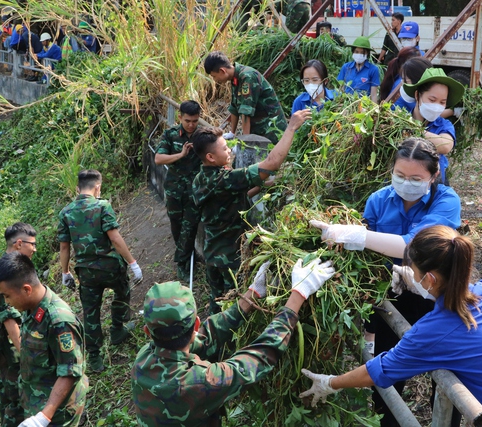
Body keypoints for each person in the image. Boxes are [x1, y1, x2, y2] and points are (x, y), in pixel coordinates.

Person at [299, 225, 482, 426]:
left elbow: (379, 370)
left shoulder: (433, 332)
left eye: (414, 272)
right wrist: (414, 282)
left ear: (431, 279)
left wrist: (330, 383)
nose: (411, 275)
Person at [310, 137, 461, 427]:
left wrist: (353, 235)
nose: (407, 183)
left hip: (435, 295)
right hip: (393, 294)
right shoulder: (378, 201)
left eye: (416, 178)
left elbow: (412, 245)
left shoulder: (447, 201)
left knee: (445, 375)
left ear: (434, 174)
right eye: (400, 176)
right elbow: (367, 259)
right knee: (388, 366)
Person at [132, 258, 335, 426]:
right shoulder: (198, 382)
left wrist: (251, 295)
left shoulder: (144, 357)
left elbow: (205, 337)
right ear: (195, 323)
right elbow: (258, 358)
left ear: (147, 332)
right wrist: (298, 294)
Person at [192, 109, 312, 314]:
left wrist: (269, 184)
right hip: (230, 257)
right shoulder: (223, 179)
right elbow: (271, 164)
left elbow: (234, 197)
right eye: (224, 148)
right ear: (211, 157)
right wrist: (291, 127)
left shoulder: (201, 179)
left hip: (214, 253)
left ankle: (210, 336)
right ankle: (224, 340)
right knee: (234, 306)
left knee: (218, 300)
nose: (229, 150)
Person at [0, 252, 89, 427]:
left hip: (56, 412)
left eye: (7, 296)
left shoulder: (59, 320)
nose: (7, 302)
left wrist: (43, 417)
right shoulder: (31, 308)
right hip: (36, 401)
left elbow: (70, 371)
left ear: (27, 289)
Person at [58, 169, 143, 372]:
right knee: (122, 292)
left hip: (86, 272)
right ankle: (117, 330)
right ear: (98, 187)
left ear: (78, 188)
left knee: (90, 312)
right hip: (110, 267)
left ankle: (95, 358)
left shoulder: (66, 213)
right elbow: (115, 238)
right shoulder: (102, 206)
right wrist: (133, 263)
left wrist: (65, 272)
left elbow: (64, 246)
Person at [0, 222, 37, 427]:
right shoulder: (7, 273)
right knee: (17, 400)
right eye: (32, 244)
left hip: (3, 349)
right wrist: (27, 357)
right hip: (11, 349)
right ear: (19, 244)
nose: (34, 249)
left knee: (7, 396)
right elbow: (9, 318)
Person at [155, 100, 203, 281]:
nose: (191, 125)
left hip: (195, 191)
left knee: (189, 226)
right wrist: (181, 155)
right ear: (180, 117)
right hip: (174, 190)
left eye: (195, 121)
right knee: (176, 225)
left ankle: (182, 263)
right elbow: (159, 159)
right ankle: (187, 255)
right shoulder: (170, 134)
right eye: (188, 121)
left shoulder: (202, 136)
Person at [204, 51, 287, 144]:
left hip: (272, 128)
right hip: (259, 129)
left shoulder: (247, 77)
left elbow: (246, 112)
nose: (215, 80)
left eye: (214, 76)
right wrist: (232, 133)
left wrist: (244, 143)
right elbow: (234, 107)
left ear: (222, 71)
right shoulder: (235, 78)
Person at [403, 67, 465, 185]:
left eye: (442, 102)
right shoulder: (401, 118)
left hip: (435, 182)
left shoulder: (444, 125)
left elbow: (445, 146)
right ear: (417, 95)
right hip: (405, 180)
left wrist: (410, 131)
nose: (437, 106)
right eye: (432, 100)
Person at [337, 36, 380, 102]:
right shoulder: (346, 67)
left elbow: (373, 94)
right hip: (347, 103)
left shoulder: (373, 70)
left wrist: (373, 110)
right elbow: (341, 89)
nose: (359, 55)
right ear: (353, 52)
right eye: (356, 52)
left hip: (364, 106)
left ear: (367, 54)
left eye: (362, 53)